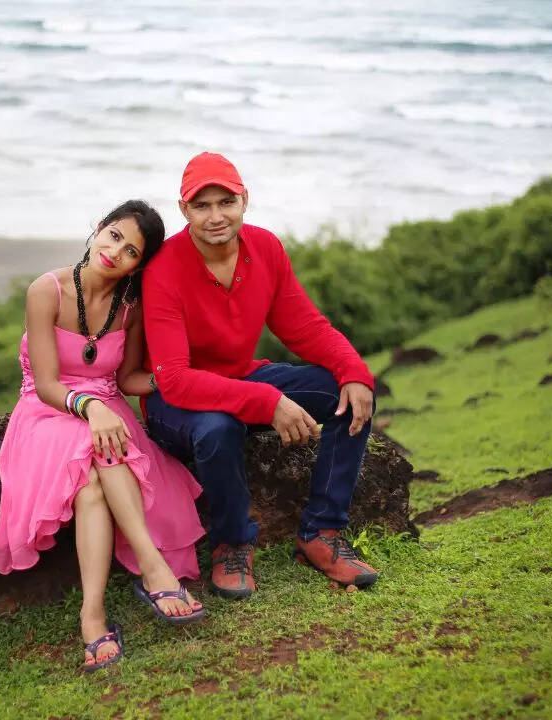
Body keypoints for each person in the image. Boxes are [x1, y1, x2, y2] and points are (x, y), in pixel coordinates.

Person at [141, 152, 379, 599]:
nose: (216, 216)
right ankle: (232, 544)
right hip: (175, 403)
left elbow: (304, 327)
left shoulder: (265, 247)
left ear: (245, 200)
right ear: (183, 209)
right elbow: (174, 379)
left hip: (243, 378)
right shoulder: (163, 270)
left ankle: (321, 533)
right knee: (218, 428)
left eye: (226, 202)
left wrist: (353, 370)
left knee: (346, 393)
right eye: (202, 206)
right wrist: (268, 403)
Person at [0, 200, 207, 673]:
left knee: (92, 483)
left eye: (131, 251)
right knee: (100, 447)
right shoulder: (46, 290)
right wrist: (90, 408)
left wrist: (180, 379)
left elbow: (127, 379)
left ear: (137, 266)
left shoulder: (130, 308)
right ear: (99, 229)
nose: (115, 251)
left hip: (107, 408)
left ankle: (94, 616)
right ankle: (151, 571)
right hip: (50, 411)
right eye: (114, 236)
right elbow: (46, 384)